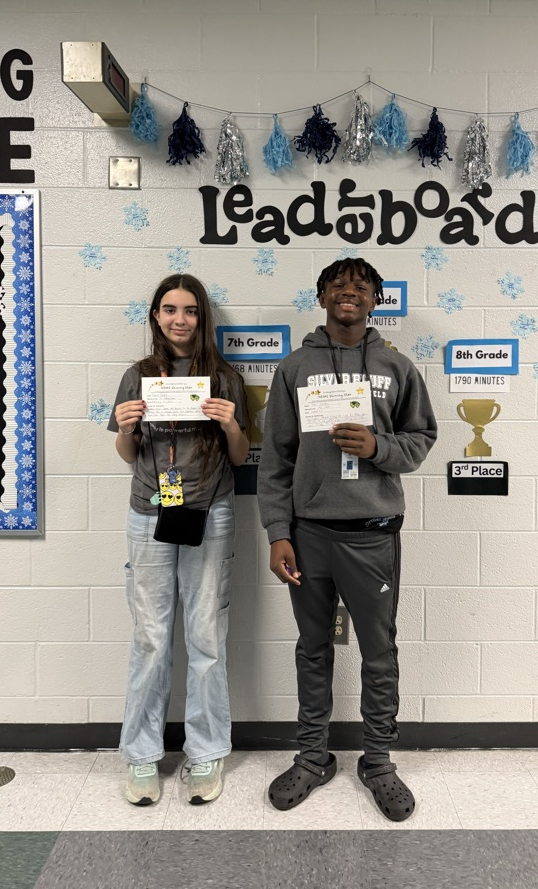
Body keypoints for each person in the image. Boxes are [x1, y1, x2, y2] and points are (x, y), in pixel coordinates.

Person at [258, 257, 437, 822]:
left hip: (372, 535)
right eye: (338, 285)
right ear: (322, 297)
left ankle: (378, 762)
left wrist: (378, 448)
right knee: (313, 649)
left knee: (378, 653)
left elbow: (422, 438)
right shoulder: (293, 369)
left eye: (361, 286)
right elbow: (276, 462)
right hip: (309, 536)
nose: (349, 293)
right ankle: (313, 758)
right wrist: (277, 533)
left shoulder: (397, 366)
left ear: (376, 299)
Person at [109, 273, 249, 806]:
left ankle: (207, 750)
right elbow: (127, 455)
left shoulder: (225, 378)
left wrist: (232, 424)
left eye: (189, 310)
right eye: (169, 309)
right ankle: (143, 756)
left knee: (206, 636)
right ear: (155, 316)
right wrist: (125, 427)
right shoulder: (137, 376)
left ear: (202, 317)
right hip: (149, 513)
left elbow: (239, 457)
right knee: (149, 636)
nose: (179, 319)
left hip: (208, 512)